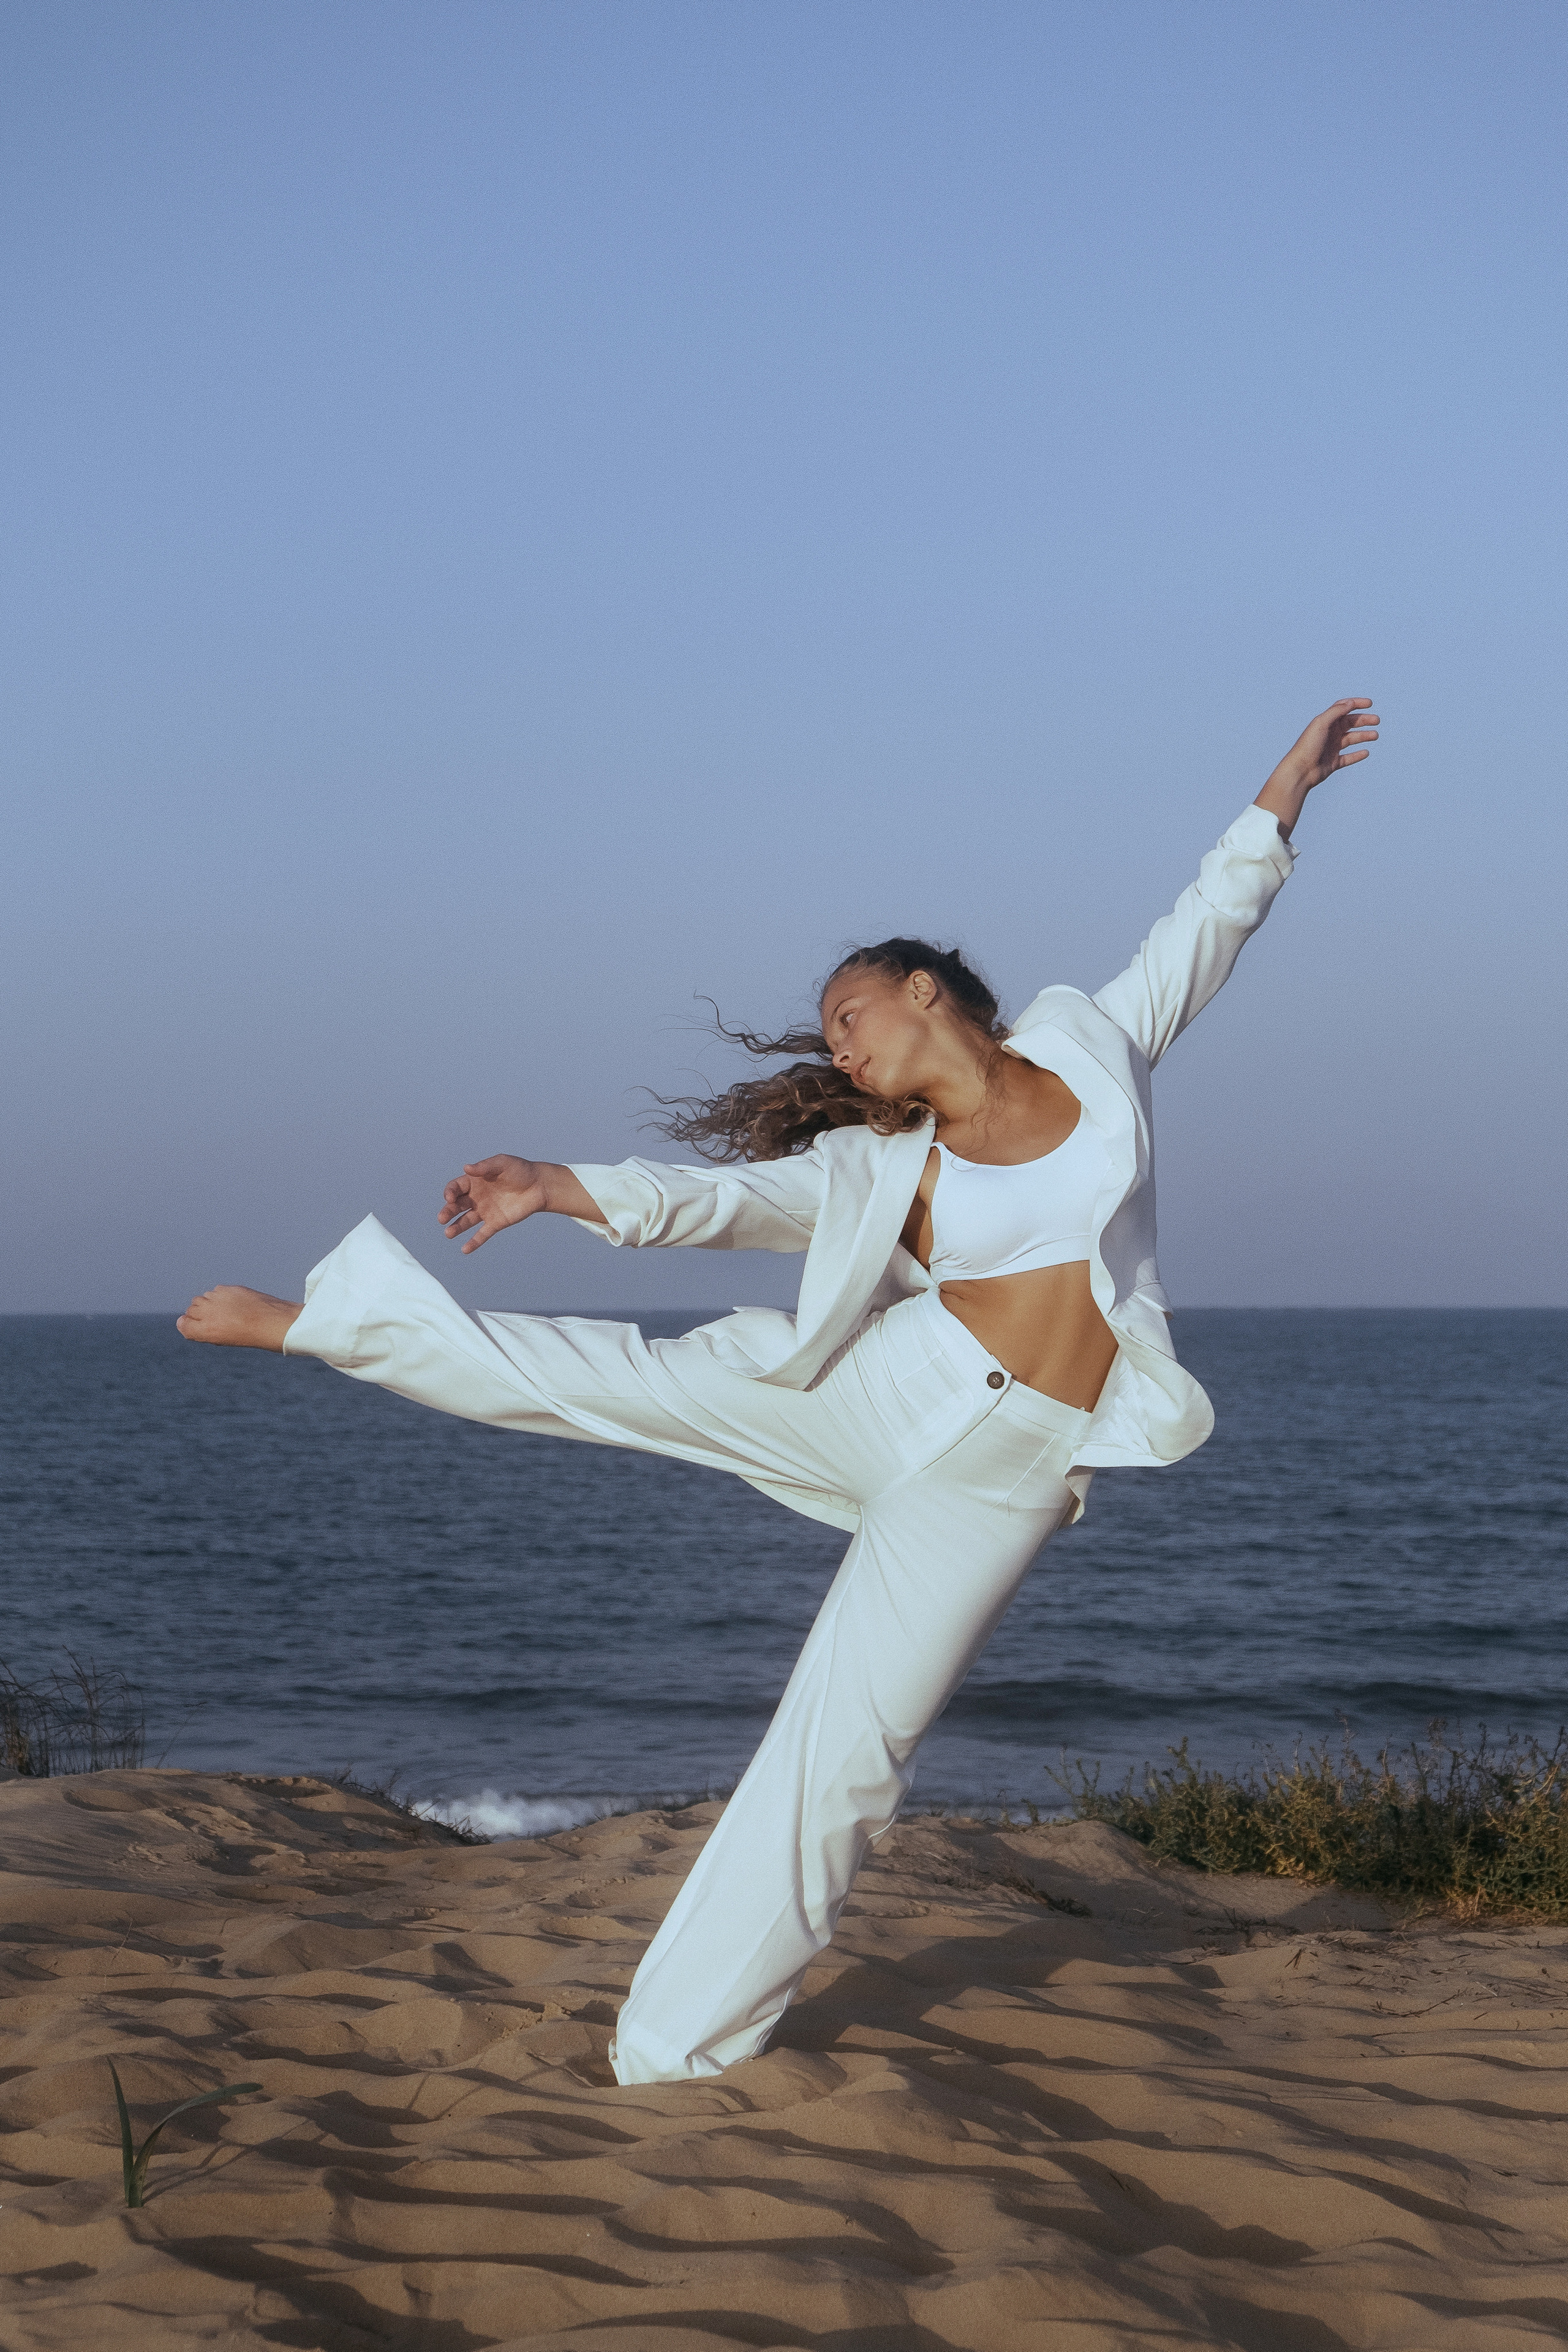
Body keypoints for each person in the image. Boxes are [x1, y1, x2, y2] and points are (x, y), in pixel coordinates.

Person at [178, 696, 1379, 2085]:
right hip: (877, 1391)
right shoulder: (878, 1166)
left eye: (849, 1015)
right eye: (832, 1034)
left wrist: (1277, 798)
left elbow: (1202, 927)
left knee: (843, 1762)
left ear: (925, 990)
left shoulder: (1096, 1049)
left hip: (997, 1479)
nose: (841, 1048)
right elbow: (719, 1201)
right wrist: (557, 1188)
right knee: (607, 1377)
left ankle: (669, 2051)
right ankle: (326, 1323)